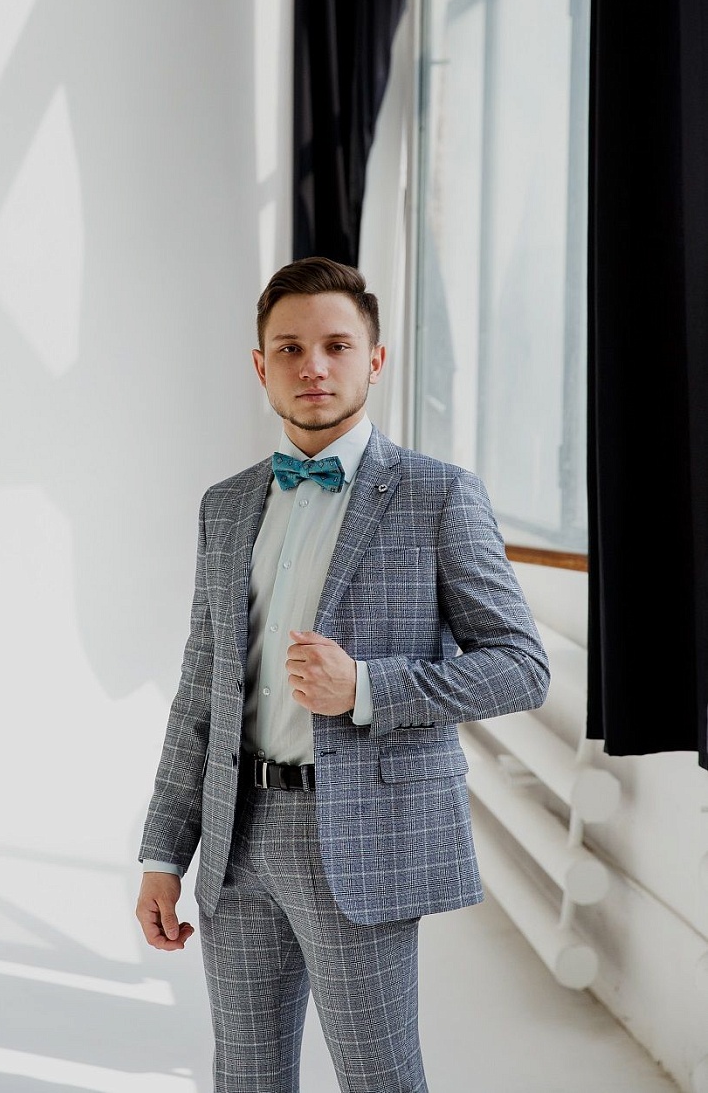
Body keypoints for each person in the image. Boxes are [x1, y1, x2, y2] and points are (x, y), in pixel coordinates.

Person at [135, 256, 550, 1093]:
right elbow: (199, 692)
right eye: (290, 349)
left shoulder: (439, 495)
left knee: (378, 1077)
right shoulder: (226, 504)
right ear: (261, 366)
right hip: (236, 835)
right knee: (245, 1075)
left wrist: (365, 686)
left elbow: (521, 667)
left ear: (376, 359)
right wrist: (162, 851)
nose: (313, 366)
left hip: (359, 835)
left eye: (336, 345)